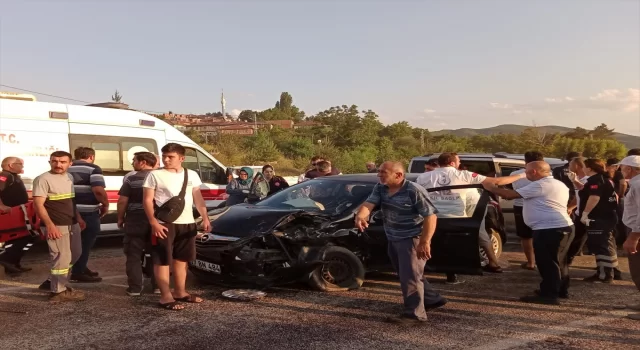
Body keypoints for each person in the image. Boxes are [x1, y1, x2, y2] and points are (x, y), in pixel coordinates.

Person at [355, 161, 446, 324]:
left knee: (410, 276)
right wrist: (361, 216)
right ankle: (432, 299)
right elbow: (369, 204)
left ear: (398, 175)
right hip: (393, 237)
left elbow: (430, 216)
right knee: (409, 274)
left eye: (384, 172)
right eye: (379, 172)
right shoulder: (380, 188)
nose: (379, 175)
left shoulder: (413, 190)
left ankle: (415, 315)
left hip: (412, 239)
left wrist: (425, 242)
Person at [416, 152, 525, 275]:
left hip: (432, 219)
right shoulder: (465, 175)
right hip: (458, 218)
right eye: (458, 161)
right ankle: (493, 263)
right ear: (452, 163)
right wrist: (522, 175)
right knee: (480, 232)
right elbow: (497, 181)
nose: (460, 164)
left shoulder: (423, 177)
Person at [483, 161, 574, 304]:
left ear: (534, 172)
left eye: (526, 171)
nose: (524, 174)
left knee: (547, 262)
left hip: (549, 228)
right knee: (559, 261)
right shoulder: (558, 183)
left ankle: (549, 295)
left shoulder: (540, 185)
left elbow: (509, 195)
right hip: (561, 226)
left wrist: (490, 187)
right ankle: (559, 289)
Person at [142, 143, 211, 310]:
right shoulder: (154, 175)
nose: (166, 159)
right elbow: (147, 200)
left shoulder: (191, 174)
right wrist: (153, 223)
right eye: (164, 156)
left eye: (170, 157)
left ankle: (180, 292)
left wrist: (205, 218)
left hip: (187, 223)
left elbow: (197, 197)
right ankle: (166, 297)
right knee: (162, 260)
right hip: (164, 224)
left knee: (181, 259)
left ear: (181, 158)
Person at [32, 151, 87, 301]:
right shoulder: (43, 179)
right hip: (56, 225)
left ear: (70, 164)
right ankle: (58, 292)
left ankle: (53, 281)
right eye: (54, 161)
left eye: (62, 162)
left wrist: (79, 217)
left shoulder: (69, 177)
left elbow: (70, 202)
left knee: (75, 254)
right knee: (61, 257)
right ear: (49, 162)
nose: (58, 164)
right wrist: (50, 226)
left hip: (72, 223)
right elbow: (38, 205)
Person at [117, 152, 157, 296]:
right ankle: (158, 286)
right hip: (158, 221)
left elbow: (122, 201)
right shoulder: (162, 177)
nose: (133, 163)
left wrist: (120, 218)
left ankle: (135, 288)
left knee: (133, 254)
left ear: (143, 162)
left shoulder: (132, 179)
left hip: (136, 220)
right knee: (156, 254)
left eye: (134, 160)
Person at [67, 147, 108, 283]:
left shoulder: (67, 167)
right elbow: (98, 190)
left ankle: (81, 266)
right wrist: (105, 204)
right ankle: (78, 272)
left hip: (70, 210)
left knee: (75, 243)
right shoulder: (93, 168)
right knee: (85, 242)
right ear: (91, 156)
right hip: (88, 212)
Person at [578, 159, 620, 283]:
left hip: (599, 218)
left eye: (584, 167)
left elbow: (595, 197)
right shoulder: (604, 179)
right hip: (607, 217)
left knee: (601, 245)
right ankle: (612, 271)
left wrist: (585, 214)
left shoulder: (596, 180)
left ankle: (604, 275)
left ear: (590, 168)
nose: (583, 169)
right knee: (607, 244)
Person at [509, 151, 545, 270]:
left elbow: (513, 191)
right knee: (541, 234)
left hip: (521, 206)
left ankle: (531, 262)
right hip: (542, 206)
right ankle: (543, 261)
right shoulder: (549, 175)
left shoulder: (515, 174)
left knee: (526, 236)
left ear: (525, 161)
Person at [0, 157, 34, 275]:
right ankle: (6, 259)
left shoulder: (14, 177)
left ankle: (13, 264)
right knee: (27, 236)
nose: (22, 167)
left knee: (18, 238)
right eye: (20, 164)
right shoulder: (5, 175)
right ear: (10, 165)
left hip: (18, 213)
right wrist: (1, 205)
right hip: (10, 215)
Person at [618, 156, 640, 320]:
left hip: (637, 232)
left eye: (623, 167)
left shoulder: (639, 185)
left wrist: (634, 236)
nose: (620, 170)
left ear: (630, 169)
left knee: (638, 269)